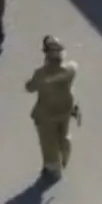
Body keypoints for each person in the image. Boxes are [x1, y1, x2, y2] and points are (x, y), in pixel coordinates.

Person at [25, 36, 78, 180]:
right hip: (66, 108)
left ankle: (53, 169)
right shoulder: (71, 68)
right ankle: (65, 148)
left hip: (47, 112)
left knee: (48, 141)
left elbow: (30, 87)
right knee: (63, 132)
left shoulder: (41, 73)